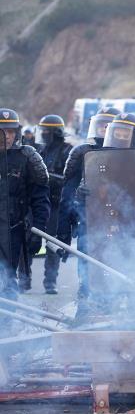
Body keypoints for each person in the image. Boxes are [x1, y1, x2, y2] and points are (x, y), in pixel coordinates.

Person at [57, 106, 121, 300]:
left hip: (120, 221)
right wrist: (63, 234)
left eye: (109, 126)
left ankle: (116, 301)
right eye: (101, 125)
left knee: (119, 263)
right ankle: (86, 301)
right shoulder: (81, 153)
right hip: (88, 220)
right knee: (87, 267)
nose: (104, 130)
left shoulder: (127, 153)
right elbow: (67, 194)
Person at [0, 109, 50, 300]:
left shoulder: (26, 157)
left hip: (13, 230)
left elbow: (40, 198)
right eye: (2, 131)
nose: (7, 136)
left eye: (10, 131)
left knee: (8, 278)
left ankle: (8, 316)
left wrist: (38, 230)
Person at [29, 115, 72, 294]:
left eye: (47, 131)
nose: (44, 134)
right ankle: (24, 279)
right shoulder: (37, 150)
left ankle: (50, 282)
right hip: (37, 201)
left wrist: (50, 179)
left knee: (53, 243)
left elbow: (69, 179)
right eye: (42, 130)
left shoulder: (68, 151)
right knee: (28, 237)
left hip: (56, 203)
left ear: (57, 132)